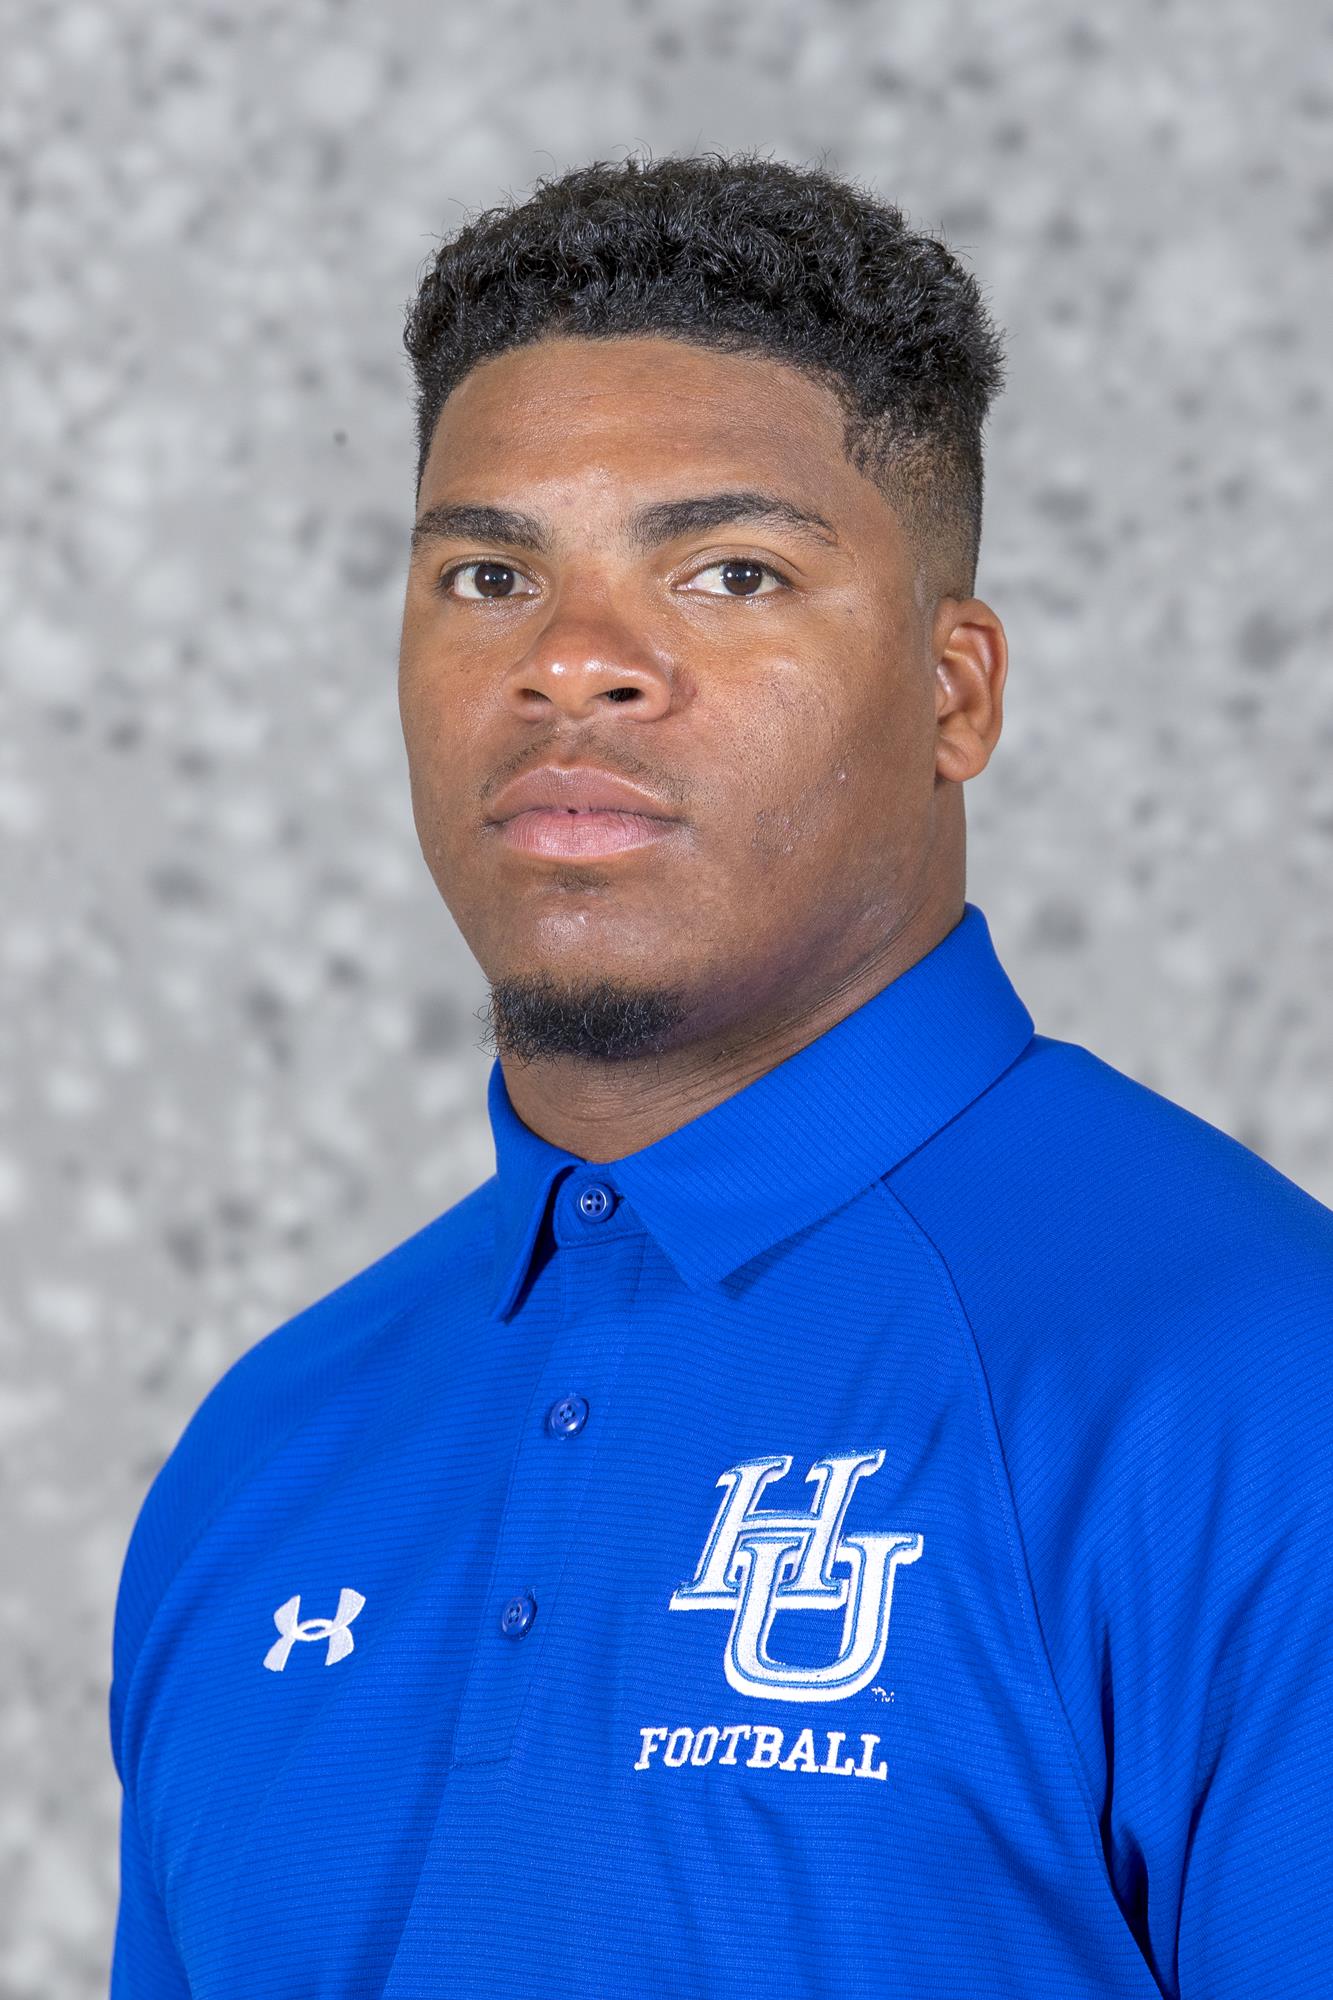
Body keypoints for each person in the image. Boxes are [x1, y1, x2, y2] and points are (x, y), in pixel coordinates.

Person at [108, 151, 1333, 1999]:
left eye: (730, 568)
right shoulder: (270, 1450)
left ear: (955, 693)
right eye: (491, 571)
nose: (576, 665)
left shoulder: (1257, 1393)